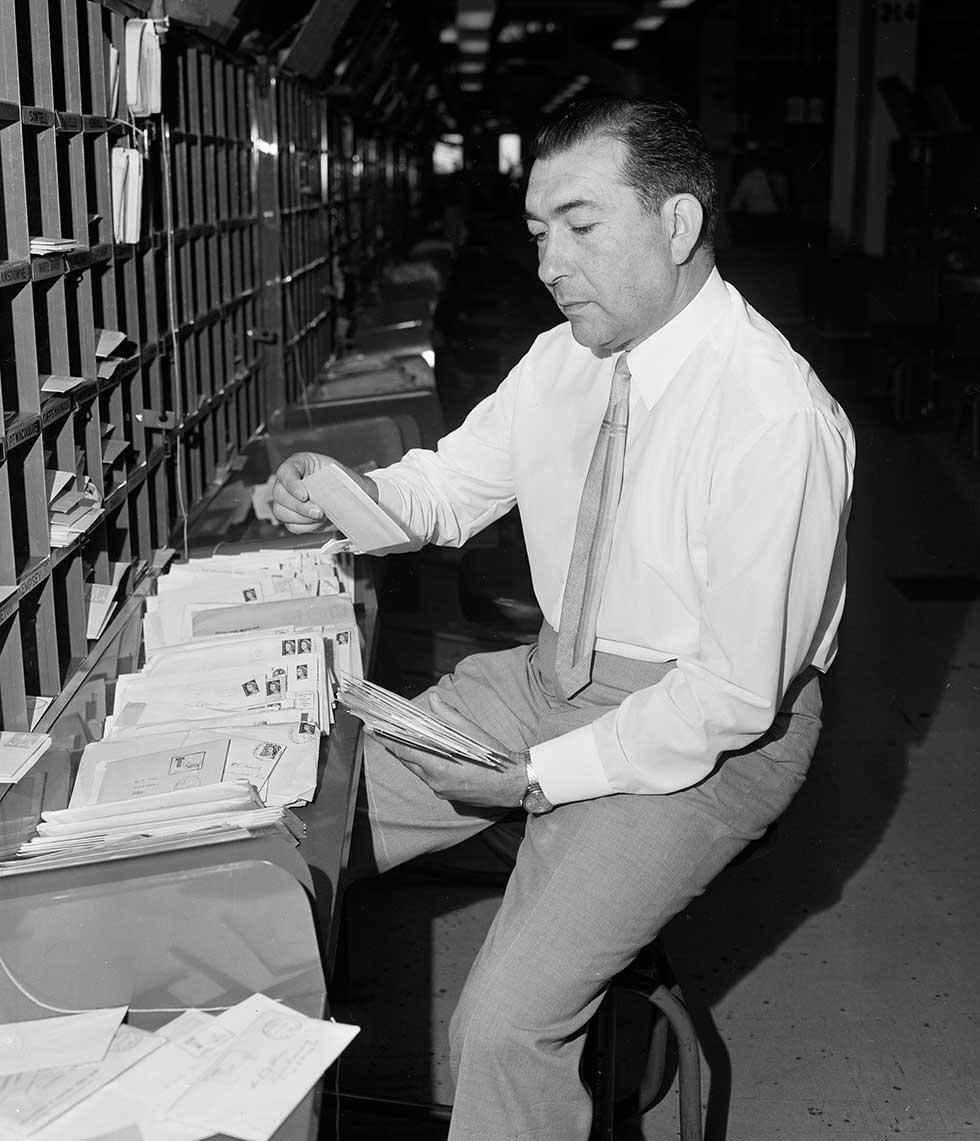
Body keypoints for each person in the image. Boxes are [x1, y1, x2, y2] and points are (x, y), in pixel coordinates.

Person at [272, 97, 855, 1141]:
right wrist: (344, 492)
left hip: (708, 733)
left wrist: (538, 780)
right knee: (291, 836)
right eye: (540, 231)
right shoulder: (564, 360)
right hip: (550, 678)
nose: (547, 262)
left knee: (502, 1023)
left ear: (675, 227)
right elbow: (450, 487)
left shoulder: (774, 417)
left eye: (580, 227)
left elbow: (727, 695)